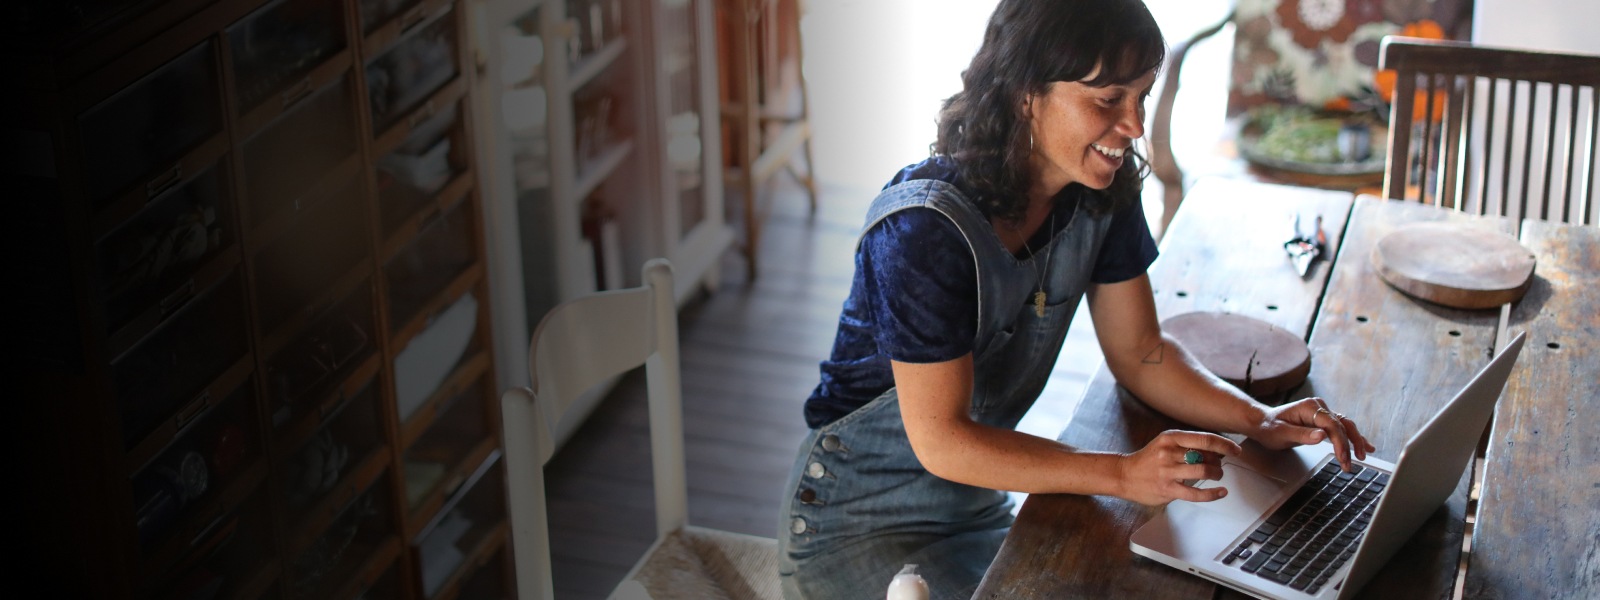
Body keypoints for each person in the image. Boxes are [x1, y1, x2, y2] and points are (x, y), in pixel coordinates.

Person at [775, 1, 1378, 598]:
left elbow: (1141, 351)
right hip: (855, 525)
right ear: (1025, 94)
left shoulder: (1099, 191)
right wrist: (1121, 473)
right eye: (1107, 100)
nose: (1135, 125)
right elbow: (944, 441)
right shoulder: (922, 232)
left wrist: (1260, 420)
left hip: (973, 508)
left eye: (1141, 96)